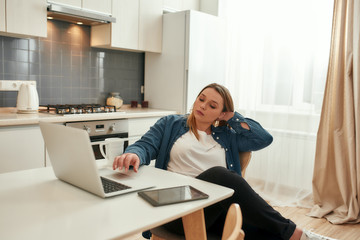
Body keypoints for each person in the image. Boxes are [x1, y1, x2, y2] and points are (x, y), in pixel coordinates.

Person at [113, 83, 335, 240]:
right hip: (175, 206)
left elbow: (264, 138)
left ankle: (301, 236)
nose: (202, 106)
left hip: (213, 209)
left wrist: (233, 118)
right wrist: (134, 154)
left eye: (212, 105)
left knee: (265, 232)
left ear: (222, 113)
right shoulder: (171, 124)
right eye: (201, 99)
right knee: (219, 175)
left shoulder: (228, 136)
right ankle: (298, 233)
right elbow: (145, 145)